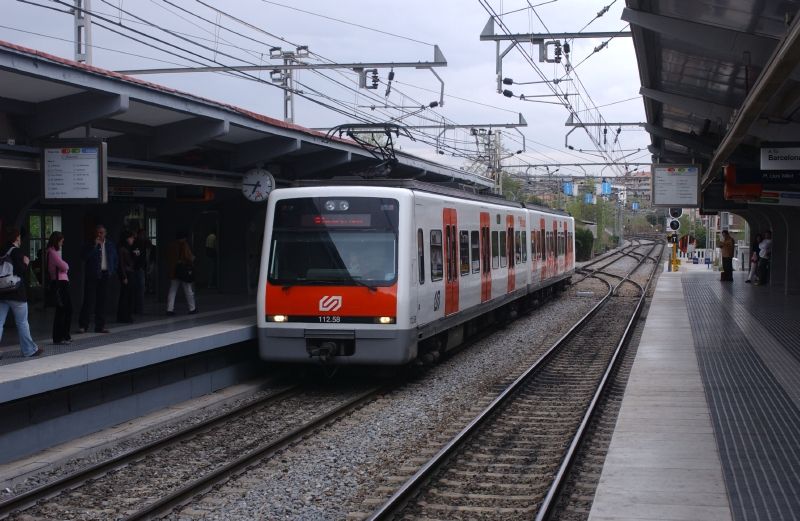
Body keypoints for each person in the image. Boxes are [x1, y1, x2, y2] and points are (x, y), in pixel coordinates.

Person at [0, 226, 42, 357]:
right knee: (22, 322)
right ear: (17, 238)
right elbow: (20, 270)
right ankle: (29, 350)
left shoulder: (1, 250)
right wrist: (26, 263)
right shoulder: (17, 252)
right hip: (16, 293)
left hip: (1, 292)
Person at [78, 224, 118, 334]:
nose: (99, 235)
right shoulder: (89, 244)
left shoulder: (110, 245)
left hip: (105, 274)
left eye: (101, 233)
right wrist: (94, 246)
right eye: (97, 233)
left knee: (102, 301)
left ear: (105, 233)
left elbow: (115, 258)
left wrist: (112, 270)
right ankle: (83, 325)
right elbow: (84, 257)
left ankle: (100, 326)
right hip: (92, 275)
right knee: (88, 300)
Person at [47, 231, 72, 345]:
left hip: (62, 282)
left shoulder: (55, 252)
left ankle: (65, 335)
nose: (62, 243)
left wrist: (64, 268)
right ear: (57, 240)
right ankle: (59, 337)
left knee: (67, 309)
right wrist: (65, 267)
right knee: (62, 310)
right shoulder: (52, 252)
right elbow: (64, 266)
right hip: (60, 283)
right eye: (61, 241)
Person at [166, 231, 197, 316]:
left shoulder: (171, 245)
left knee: (172, 290)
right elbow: (188, 257)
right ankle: (192, 308)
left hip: (174, 270)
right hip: (183, 271)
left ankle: (169, 309)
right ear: (183, 238)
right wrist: (192, 259)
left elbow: (168, 257)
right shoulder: (184, 245)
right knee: (188, 290)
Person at [116, 230, 136, 323]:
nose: (133, 240)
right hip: (126, 274)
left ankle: (126, 315)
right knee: (125, 295)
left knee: (128, 295)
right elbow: (121, 264)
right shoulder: (122, 249)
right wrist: (124, 276)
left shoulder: (127, 248)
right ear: (127, 238)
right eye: (131, 238)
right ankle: (124, 316)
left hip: (128, 273)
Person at [132, 228, 150, 314]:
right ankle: (139, 309)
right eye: (142, 234)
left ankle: (138, 308)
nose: (144, 236)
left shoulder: (144, 243)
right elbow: (136, 256)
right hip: (138, 268)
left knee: (140, 289)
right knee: (140, 289)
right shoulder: (137, 243)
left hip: (141, 267)